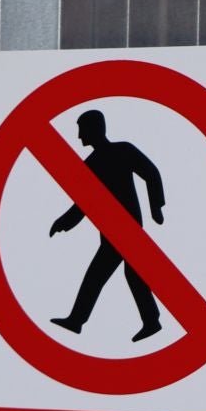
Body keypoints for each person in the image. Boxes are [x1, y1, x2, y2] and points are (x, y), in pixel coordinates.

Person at [48, 109, 168, 341]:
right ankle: (151, 321)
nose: (79, 136)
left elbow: (151, 173)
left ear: (94, 130)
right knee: (132, 274)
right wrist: (64, 222)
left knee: (99, 275)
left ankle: (77, 320)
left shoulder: (122, 150)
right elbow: (83, 203)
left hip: (127, 228)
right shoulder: (90, 164)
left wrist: (157, 207)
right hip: (113, 231)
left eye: (82, 130)